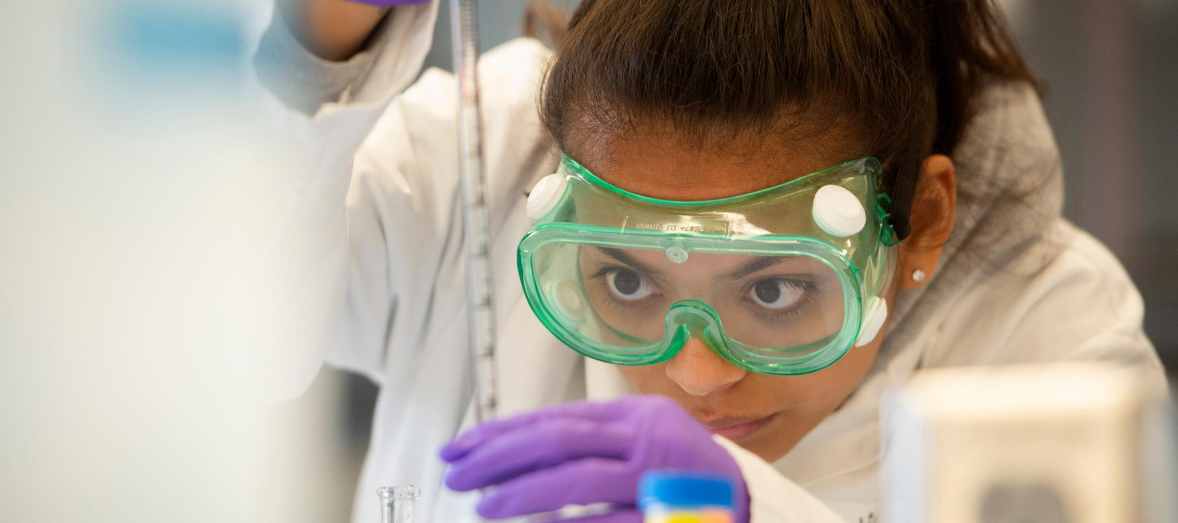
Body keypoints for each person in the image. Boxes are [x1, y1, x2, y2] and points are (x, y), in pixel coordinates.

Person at [252, 0, 1169, 521]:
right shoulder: (488, 163)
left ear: (920, 222)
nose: (697, 371)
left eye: (774, 286)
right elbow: (221, 330)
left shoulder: (1053, 337)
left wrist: (760, 512)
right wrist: (316, 49)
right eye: (626, 278)